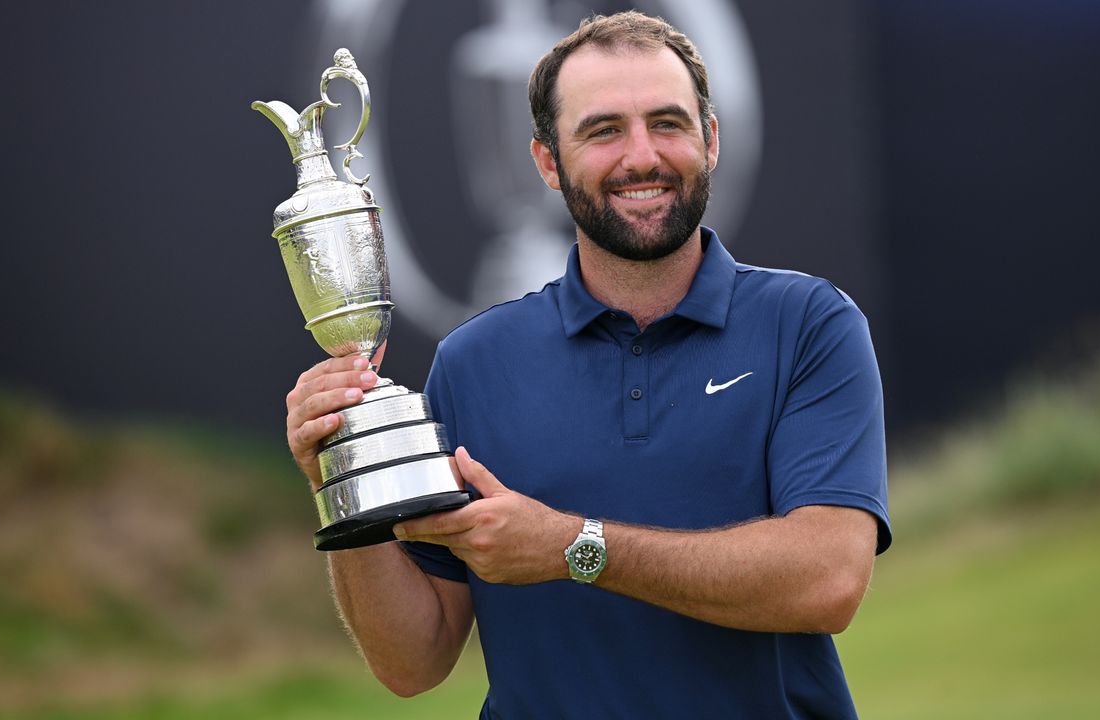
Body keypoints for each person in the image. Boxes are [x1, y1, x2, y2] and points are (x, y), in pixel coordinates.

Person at [285, 11, 891, 719]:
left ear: (712, 139)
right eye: (604, 130)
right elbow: (413, 662)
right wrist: (341, 476)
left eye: (668, 123)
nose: (642, 157)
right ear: (547, 161)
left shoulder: (810, 326)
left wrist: (576, 547)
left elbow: (827, 581)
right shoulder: (474, 363)